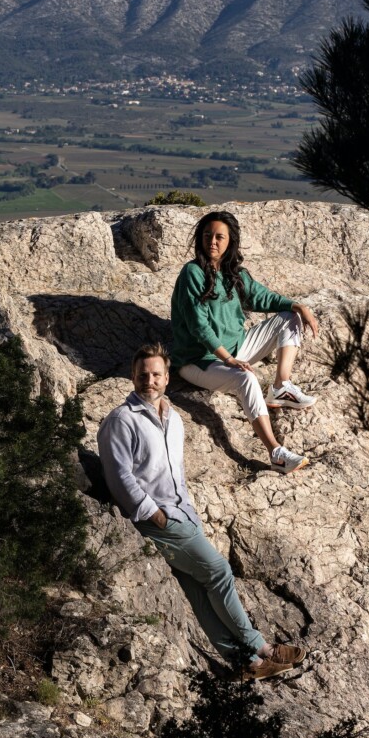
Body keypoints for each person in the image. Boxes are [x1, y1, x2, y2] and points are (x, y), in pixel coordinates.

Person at [98, 343, 308, 681]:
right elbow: (120, 475)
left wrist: (189, 512)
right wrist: (154, 514)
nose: (148, 380)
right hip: (158, 521)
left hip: (183, 515)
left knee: (198, 593)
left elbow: (176, 473)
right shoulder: (121, 421)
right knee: (219, 573)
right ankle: (262, 648)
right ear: (132, 377)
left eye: (155, 375)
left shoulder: (175, 419)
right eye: (142, 375)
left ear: (166, 378)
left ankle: (246, 663)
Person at [170, 209, 319, 474]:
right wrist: (228, 359)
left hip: (236, 349)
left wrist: (298, 305)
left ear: (230, 242)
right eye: (207, 236)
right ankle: (276, 452)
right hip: (199, 360)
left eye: (219, 237)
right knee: (246, 379)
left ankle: (281, 385)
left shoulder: (234, 274)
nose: (212, 242)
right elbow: (198, 325)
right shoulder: (192, 273)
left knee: (289, 317)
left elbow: (264, 298)